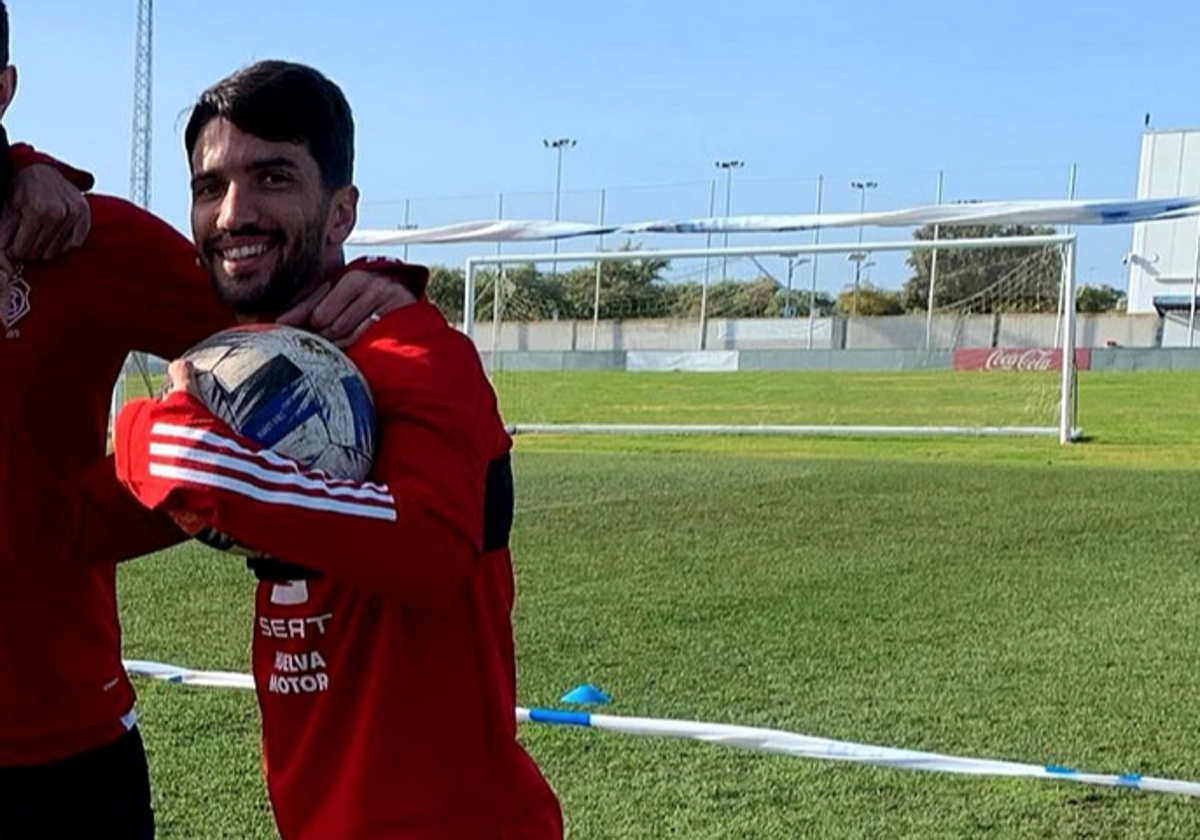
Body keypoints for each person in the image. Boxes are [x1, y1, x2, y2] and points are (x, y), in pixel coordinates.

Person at [115, 60, 563, 839]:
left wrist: (141, 431)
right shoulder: (258, 356)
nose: (233, 213)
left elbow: (427, 549)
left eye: (273, 178)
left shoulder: (420, 352)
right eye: (208, 187)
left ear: (341, 210)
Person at [0, 5, 416, 836]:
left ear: (2, 88)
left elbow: (280, 332)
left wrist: (99, 517)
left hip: (52, 746)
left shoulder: (71, 239)